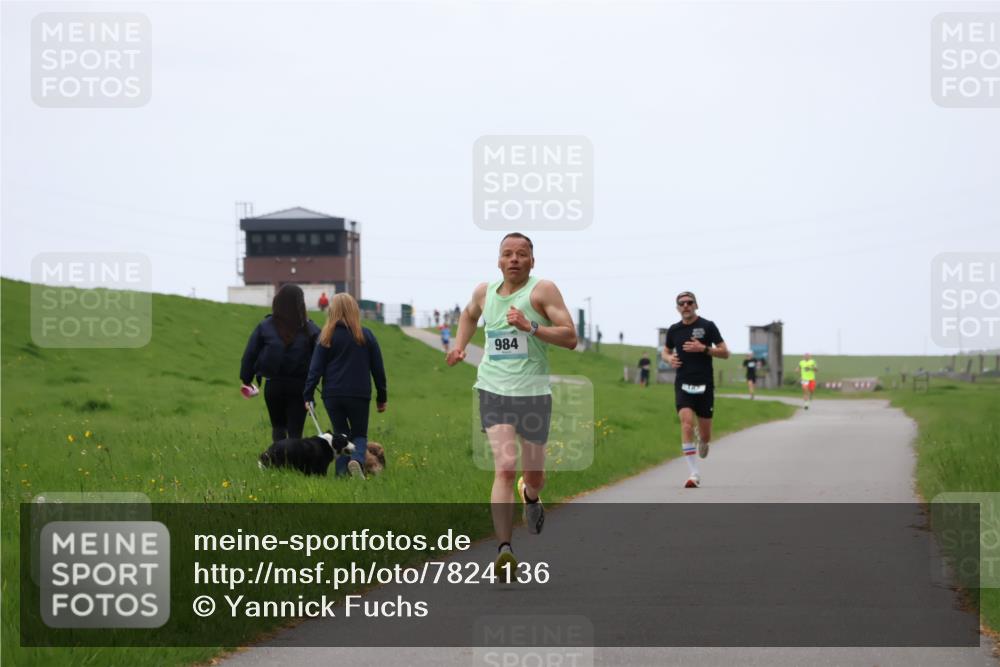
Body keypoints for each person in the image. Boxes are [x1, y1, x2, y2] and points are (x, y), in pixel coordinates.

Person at [446, 233, 577, 579]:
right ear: (499, 261)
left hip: (533, 394)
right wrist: (460, 346)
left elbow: (570, 336)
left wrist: (531, 326)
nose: (515, 259)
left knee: (534, 476)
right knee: (504, 466)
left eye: (522, 254)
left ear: (532, 261)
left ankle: (530, 495)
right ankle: (504, 549)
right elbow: (468, 315)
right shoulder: (483, 293)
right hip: (493, 390)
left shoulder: (542, 291)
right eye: (508, 254)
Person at [304, 293, 388, 479]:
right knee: (359, 434)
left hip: (332, 395)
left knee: (340, 434)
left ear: (331, 311)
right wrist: (382, 397)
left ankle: (342, 475)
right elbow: (378, 370)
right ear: (354, 311)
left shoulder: (325, 337)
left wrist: (308, 395)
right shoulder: (366, 335)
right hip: (359, 394)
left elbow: (315, 370)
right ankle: (357, 461)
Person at [663, 291, 729, 488]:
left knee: (706, 434)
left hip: (705, 385)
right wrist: (669, 359)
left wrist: (704, 349)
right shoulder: (674, 330)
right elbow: (665, 351)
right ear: (677, 308)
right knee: (686, 423)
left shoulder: (707, 326)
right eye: (681, 303)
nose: (685, 306)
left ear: (696, 305)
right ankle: (694, 473)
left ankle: (704, 440)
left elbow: (725, 352)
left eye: (689, 302)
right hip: (683, 383)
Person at [240, 284, 321, 443]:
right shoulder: (311, 329)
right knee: (295, 431)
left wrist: (246, 379)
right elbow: (321, 358)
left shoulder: (265, 326)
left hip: (273, 385)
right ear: (301, 304)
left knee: (278, 428)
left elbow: (250, 354)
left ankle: (278, 461)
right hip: (301, 386)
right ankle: (293, 464)